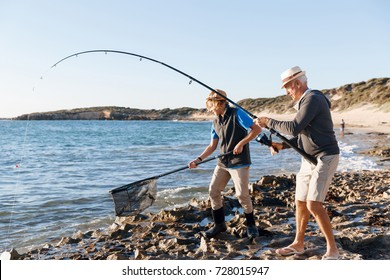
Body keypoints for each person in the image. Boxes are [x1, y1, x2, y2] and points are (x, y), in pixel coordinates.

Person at [254, 66, 340, 260]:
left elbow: (293, 128)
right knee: (300, 201)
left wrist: (269, 121)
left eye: (287, 87)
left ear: (297, 83)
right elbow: (301, 138)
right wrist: (280, 146)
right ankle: (298, 244)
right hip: (308, 160)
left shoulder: (313, 99)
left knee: (314, 204)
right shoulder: (304, 103)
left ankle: (333, 249)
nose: (286, 92)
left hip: (325, 157)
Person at [188, 89, 261, 239]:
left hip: (240, 162)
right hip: (223, 162)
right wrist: (198, 160)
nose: (211, 109)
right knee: (213, 191)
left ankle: (251, 225)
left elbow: (256, 129)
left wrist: (241, 143)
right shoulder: (215, 121)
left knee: (242, 195)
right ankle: (219, 225)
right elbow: (212, 146)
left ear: (220, 103)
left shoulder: (237, 113)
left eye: (212, 105)